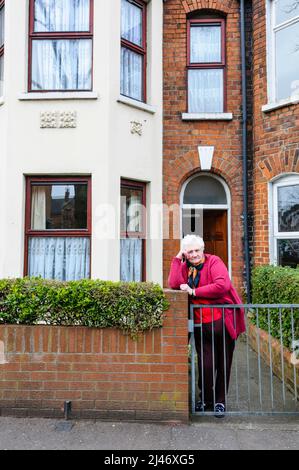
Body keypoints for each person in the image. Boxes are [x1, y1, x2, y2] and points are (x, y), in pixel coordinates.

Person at [168, 234, 245, 418]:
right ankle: (205, 400)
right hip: (201, 324)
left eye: (197, 250)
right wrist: (178, 258)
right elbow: (173, 283)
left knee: (223, 363)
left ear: (203, 250)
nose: (194, 254)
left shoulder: (214, 261)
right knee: (206, 365)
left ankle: (220, 402)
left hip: (223, 323)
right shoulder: (185, 266)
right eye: (190, 251)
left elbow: (222, 285)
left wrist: (194, 291)